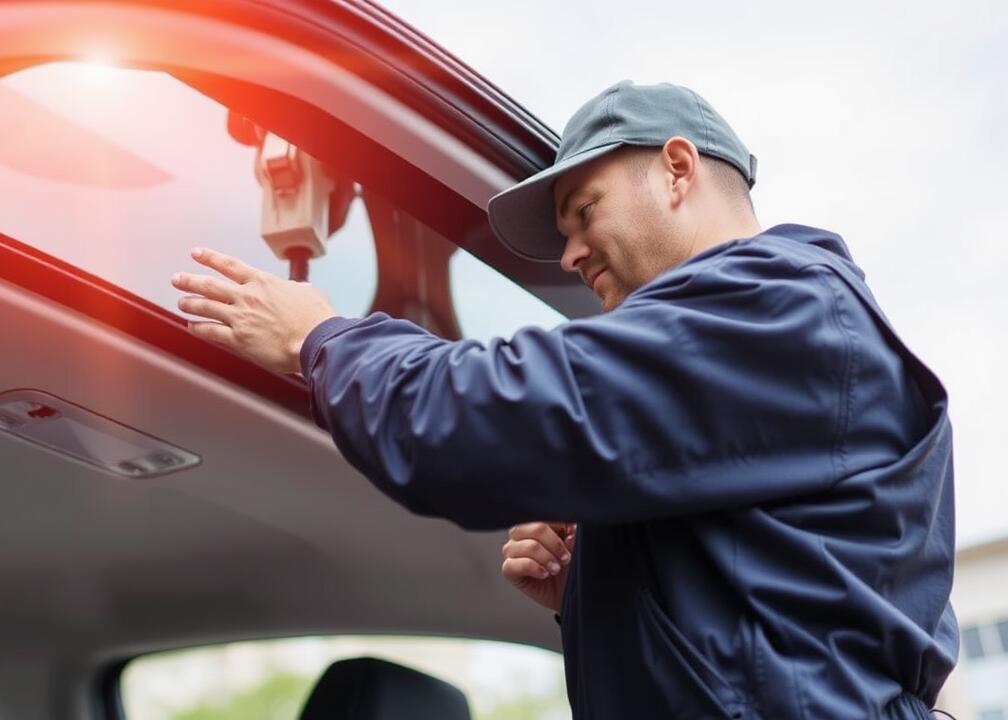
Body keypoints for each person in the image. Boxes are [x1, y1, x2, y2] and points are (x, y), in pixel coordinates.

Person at [170, 80, 957, 719]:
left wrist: (324, 339)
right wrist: (596, 597)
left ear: (679, 169)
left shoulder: (777, 308)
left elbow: (491, 418)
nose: (573, 254)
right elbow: (772, 638)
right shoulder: (765, 339)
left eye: (584, 213)